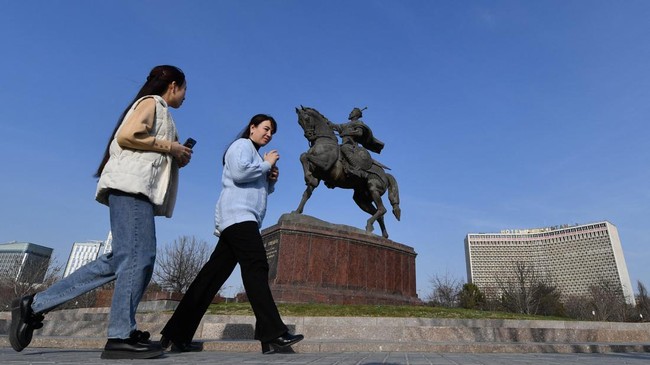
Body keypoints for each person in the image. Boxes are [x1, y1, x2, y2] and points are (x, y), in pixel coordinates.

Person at [9, 65, 193, 360]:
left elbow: (141, 144)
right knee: (138, 257)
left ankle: (35, 305)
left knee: (125, 259)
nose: (185, 97)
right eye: (185, 90)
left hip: (137, 191)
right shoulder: (151, 103)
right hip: (130, 189)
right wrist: (170, 147)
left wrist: (174, 155)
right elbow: (128, 135)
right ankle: (120, 334)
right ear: (173, 85)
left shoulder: (159, 110)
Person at [159, 114, 304, 354]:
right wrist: (266, 164)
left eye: (271, 132)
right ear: (252, 128)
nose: (268, 134)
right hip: (238, 217)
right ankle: (273, 334)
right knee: (256, 265)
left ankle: (176, 334)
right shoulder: (240, 146)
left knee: (211, 277)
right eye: (266, 129)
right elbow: (238, 174)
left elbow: (254, 187)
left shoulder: (255, 155)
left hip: (242, 219)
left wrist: (270, 180)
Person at [334, 107, 385, 180]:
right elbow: (334, 126)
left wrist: (347, 132)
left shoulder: (358, 123)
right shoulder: (345, 125)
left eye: (352, 112)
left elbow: (359, 133)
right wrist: (324, 120)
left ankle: (357, 169)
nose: (350, 113)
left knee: (344, 148)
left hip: (352, 146)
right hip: (344, 144)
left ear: (356, 114)